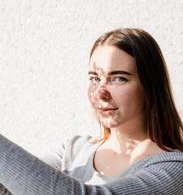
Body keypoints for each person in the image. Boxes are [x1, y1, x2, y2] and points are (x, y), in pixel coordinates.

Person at [0, 28, 183, 195]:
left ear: (150, 86)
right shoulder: (72, 150)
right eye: (95, 78)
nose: (100, 93)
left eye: (119, 78)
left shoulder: (174, 169)